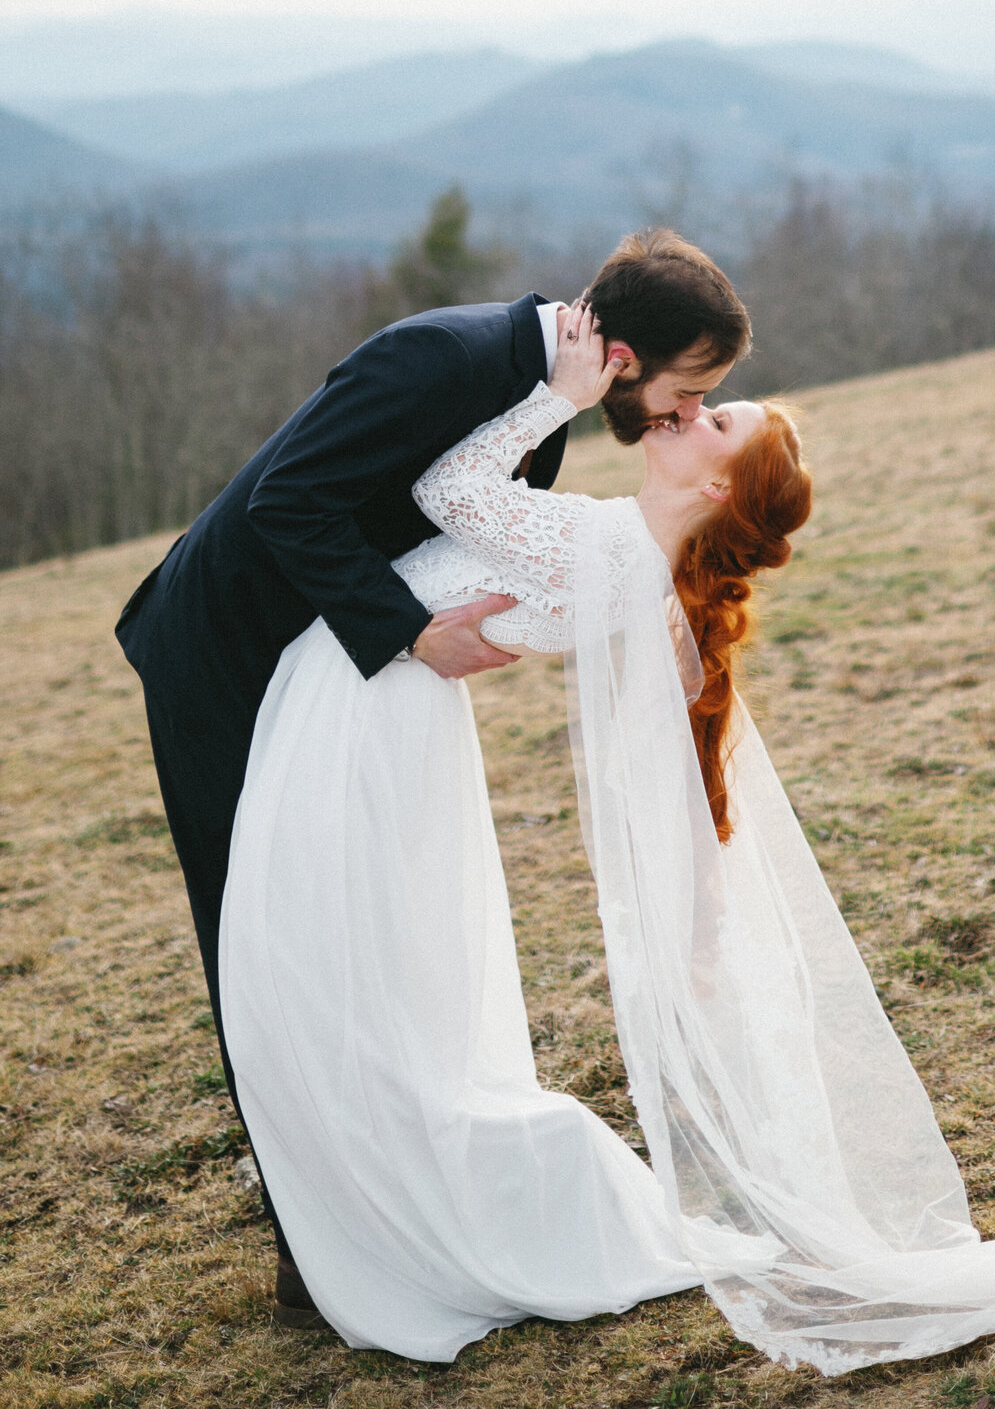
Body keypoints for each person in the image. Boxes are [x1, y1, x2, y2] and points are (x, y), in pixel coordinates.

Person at [222, 305, 995, 1376]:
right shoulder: (622, 549)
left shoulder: (606, 547)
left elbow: (446, 495)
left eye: (712, 418)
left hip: (361, 713)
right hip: (379, 703)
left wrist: (559, 396)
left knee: (320, 962)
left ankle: (399, 1210)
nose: (688, 412)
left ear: (721, 486)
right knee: (345, 964)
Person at [114, 229, 751, 1322]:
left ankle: (371, 1205)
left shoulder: (532, 404)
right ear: (632, 356)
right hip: (226, 652)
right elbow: (289, 503)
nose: (683, 413)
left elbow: (461, 526)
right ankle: (317, 1250)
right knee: (260, 945)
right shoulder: (443, 358)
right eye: (689, 389)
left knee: (346, 939)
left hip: (336, 684)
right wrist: (412, 637)